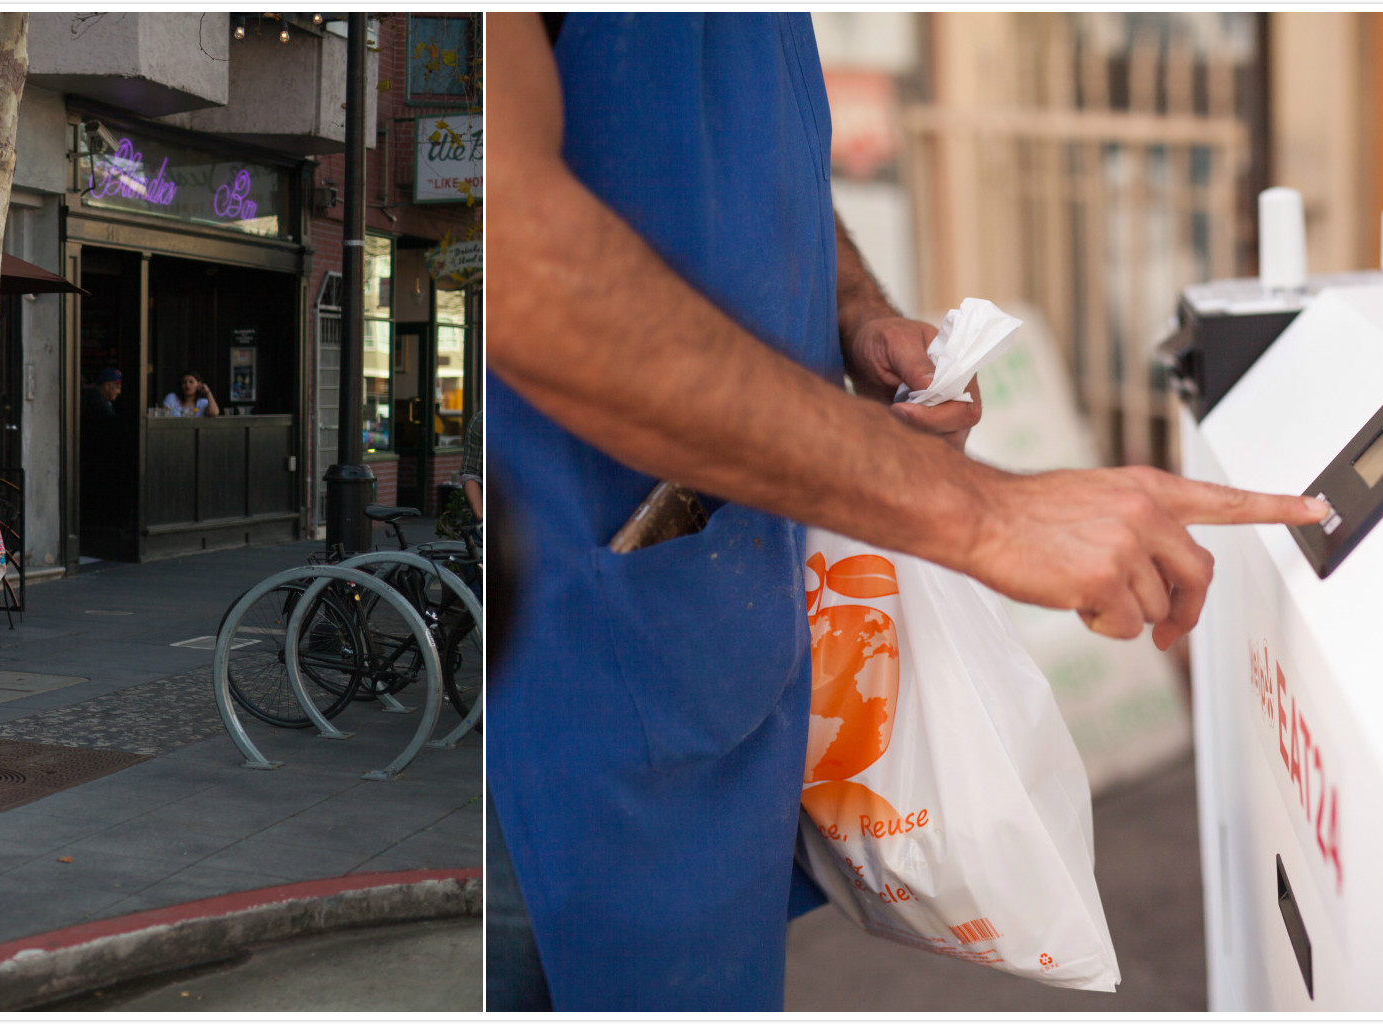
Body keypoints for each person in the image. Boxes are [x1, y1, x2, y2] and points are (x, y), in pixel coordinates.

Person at [482, 13, 1330, 1012]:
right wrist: (986, 515)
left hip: (714, 610)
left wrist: (851, 307)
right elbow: (516, 251)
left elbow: (741, 148)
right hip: (566, 661)